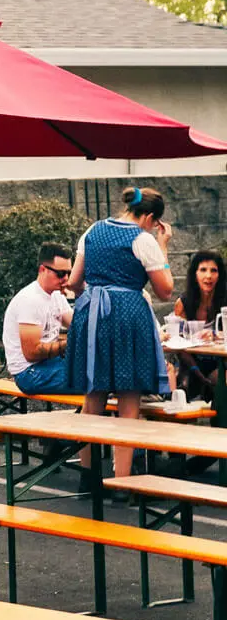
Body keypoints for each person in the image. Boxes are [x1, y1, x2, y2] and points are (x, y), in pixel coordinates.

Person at [67, 186, 173, 487]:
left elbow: (75, 283)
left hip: (91, 313)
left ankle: (87, 476)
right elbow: (165, 289)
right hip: (127, 315)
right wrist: (163, 246)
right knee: (128, 397)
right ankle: (120, 482)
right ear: (150, 217)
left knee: (93, 394)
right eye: (155, 224)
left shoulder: (92, 231)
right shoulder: (143, 240)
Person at [2, 244, 73, 394]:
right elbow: (32, 353)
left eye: (69, 273)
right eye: (60, 274)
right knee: (96, 378)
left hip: (50, 363)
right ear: (42, 270)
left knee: (101, 369)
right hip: (29, 372)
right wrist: (70, 343)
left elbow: (78, 325)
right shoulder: (30, 299)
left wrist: (79, 291)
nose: (65, 279)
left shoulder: (55, 294)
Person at [173, 249, 227, 402]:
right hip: (191, 363)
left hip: (221, 361)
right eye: (203, 270)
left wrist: (216, 336)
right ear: (195, 274)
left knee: (220, 381)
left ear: (220, 275)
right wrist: (196, 371)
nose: (208, 276)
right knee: (183, 386)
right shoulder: (183, 303)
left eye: (213, 271)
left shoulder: (224, 301)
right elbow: (178, 343)